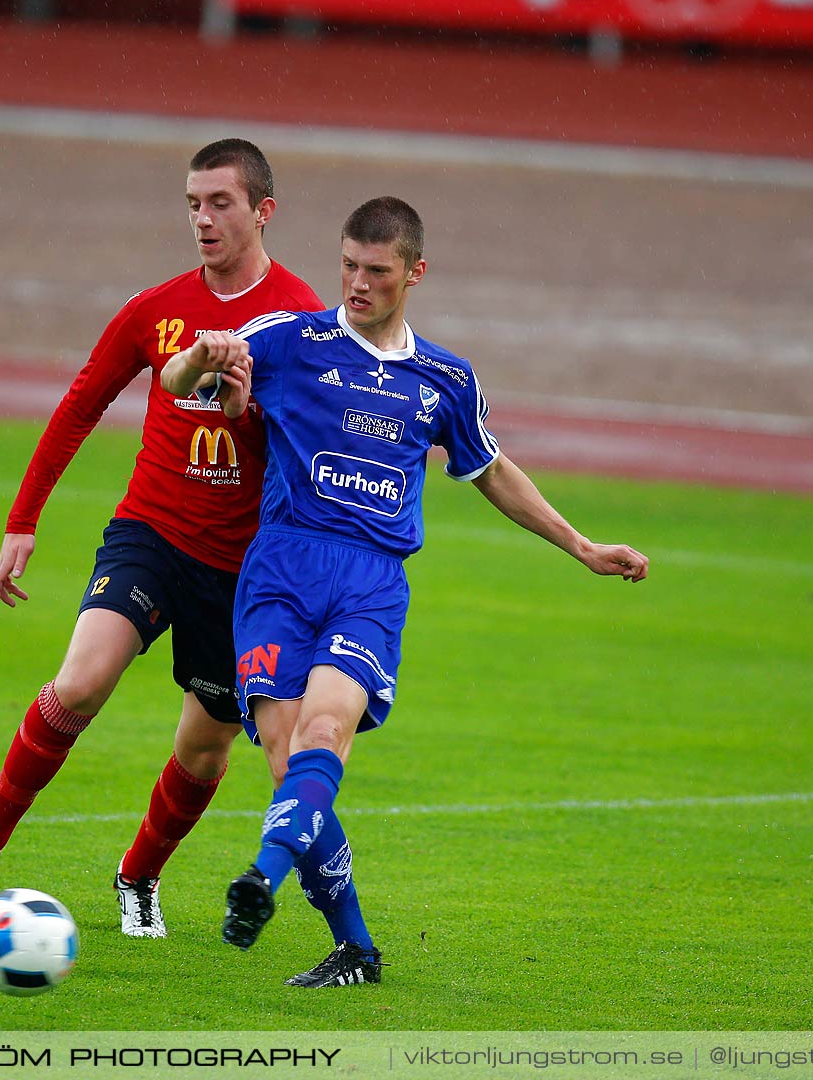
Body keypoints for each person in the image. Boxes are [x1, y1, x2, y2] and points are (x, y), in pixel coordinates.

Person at [160, 196, 648, 987]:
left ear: (414, 273)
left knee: (323, 736)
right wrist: (204, 354)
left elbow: (490, 468)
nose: (356, 283)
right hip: (279, 573)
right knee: (288, 763)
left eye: (376, 271)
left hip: (369, 585)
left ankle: (262, 877)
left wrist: (582, 545)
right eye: (348, 264)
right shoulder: (288, 339)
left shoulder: (443, 379)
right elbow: (181, 381)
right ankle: (356, 947)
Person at [0, 140, 325, 939]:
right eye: (192, 203)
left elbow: (313, 448)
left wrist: (250, 410)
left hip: (242, 571)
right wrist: (22, 521)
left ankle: (138, 875)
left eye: (219, 203)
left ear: (263, 212)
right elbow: (79, 405)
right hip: (151, 534)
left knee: (205, 752)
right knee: (78, 683)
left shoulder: (304, 318)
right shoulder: (156, 309)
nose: (202, 219)